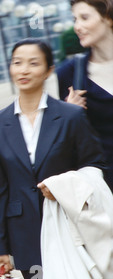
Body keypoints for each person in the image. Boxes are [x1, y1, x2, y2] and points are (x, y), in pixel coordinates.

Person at [0, 38, 105, 279]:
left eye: (33, 63)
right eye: (17, 63)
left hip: (71, 231)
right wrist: (0, 248)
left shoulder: (70, 116)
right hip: (26, 239)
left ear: (49, 70)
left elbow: (95, 165)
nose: (24, 70)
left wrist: (63, 185)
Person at [56, 0, 113, 191]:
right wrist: (69, 114)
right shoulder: (69, 74)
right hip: (105, 188)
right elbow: (65, 142)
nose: (77, 27)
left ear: (108, 18)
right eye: (75, 19)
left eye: (84, 18)